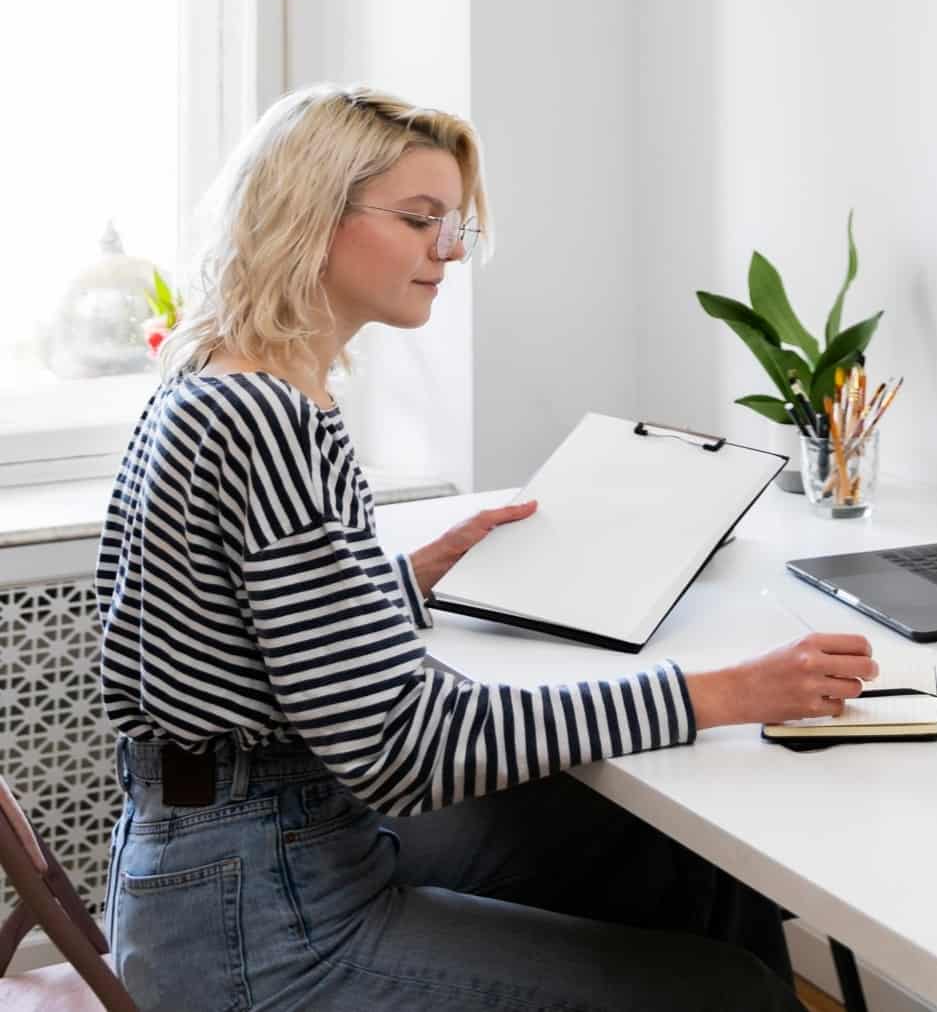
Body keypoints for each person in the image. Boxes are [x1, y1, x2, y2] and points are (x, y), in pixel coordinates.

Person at [96, 82, 878, 1011]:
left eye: (454, 224)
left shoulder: (227, 378)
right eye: (422, 219)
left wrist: (404, 582)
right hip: (258, 919)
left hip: (258, 845)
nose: (449, 251)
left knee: (673, 863)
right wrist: (722, 693)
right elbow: (403, 747)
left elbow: (229, 637)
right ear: (310, 215)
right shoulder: (263, 414)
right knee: (734, 995)